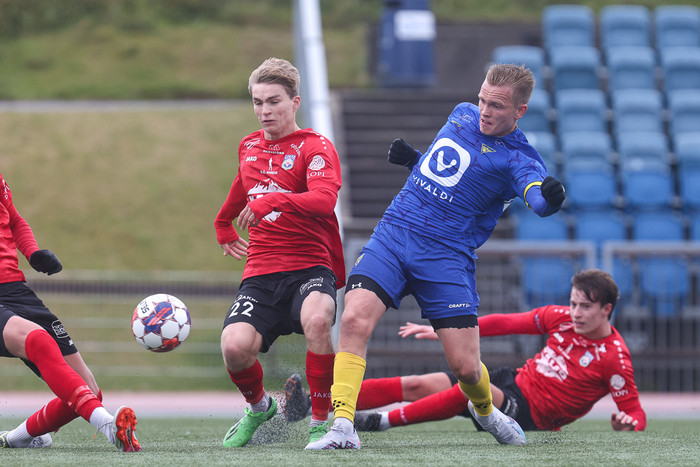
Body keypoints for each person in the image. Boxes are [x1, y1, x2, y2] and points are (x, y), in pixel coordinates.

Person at [306, 63, 566, 450]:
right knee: (354, 319)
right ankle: (342, 426)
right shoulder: (461, 114)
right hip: (394, 234)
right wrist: (415, 159)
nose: (484, 110)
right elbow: (448, 168)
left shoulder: (519, 158)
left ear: (520, 111)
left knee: (466, 368)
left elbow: (537, 199)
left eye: (496, 105)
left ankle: (486, 411)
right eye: (482, 99)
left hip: (445, 258)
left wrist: (551, 200)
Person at [287, 269, 647, 434]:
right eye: (574, 303)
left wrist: (627, 423)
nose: (576, 312)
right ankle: (312, 404)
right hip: (514, 381)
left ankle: (380, 422)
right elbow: (507, 323)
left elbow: (635, 412)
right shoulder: (562, 318)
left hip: (532, 415)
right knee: (418, 383)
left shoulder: (614, 357)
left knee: (469, 388)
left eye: (585, 307)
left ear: (606, 310)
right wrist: (445, 329)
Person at [214, 57, 345, 448]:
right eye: (258, 102)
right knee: (234, 347)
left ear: (295, 102)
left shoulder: (315, 147)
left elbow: (324, 200)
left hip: (310, 266)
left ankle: (320, 422)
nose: (264, 111)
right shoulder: (249, 145)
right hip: (262, 270)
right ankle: (260, 408)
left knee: (318, 321)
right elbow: (243, 184)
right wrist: (223, 222)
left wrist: (274, 200)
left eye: (273, 101)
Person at [0, 172, 141, 451]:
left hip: (15, 290)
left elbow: (13, 219)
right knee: (37, 338)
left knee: (88, 390)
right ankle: (109, 427)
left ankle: (16, 438)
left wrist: (32, 252)